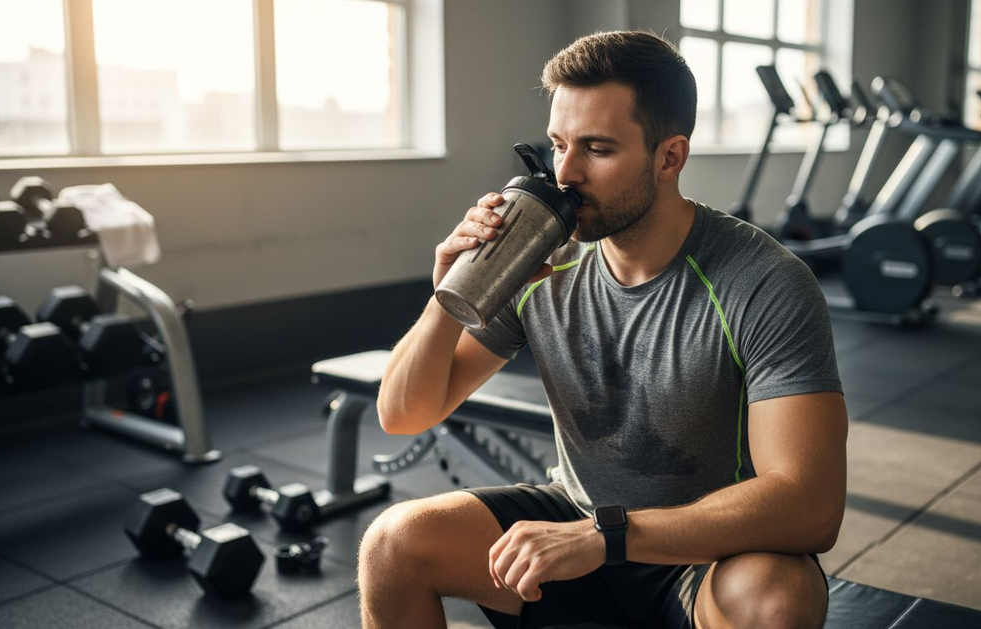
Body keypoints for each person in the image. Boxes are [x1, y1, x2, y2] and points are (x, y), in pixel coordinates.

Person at [360, 30, 848, 629]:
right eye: (558, 144)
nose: (565, 173)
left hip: (702, 553)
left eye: (596, 149)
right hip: (578, 519)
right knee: (393, 545)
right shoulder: (539, 262)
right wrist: (449, 295)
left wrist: (610, 536)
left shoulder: (763, 282)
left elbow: (811, 505)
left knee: (779, 598)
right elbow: (403, 414)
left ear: (669, 157)